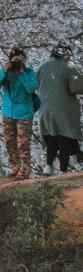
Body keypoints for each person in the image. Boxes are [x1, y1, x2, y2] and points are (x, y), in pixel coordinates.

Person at [0, 48, 40, 180]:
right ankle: (15, 167)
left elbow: (31, 88)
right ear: (10, 60)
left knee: (23, 144)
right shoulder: (6, 72)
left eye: (22, 61)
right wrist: (4, 71)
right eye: (17, 61)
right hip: (8, 113)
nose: (20, 64)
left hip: (24, 113)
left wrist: (22, 73)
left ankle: (24, 170)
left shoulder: (29, 73)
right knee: (9, 142)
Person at [39, 44, 82, 175]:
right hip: (64, 107)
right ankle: (63, 170)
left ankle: (48, 166)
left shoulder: (42, 66)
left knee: (53, 136)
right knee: (64, 136)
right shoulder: (69, 66)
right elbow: (76, 88)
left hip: (45, 107)